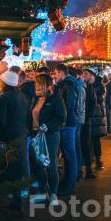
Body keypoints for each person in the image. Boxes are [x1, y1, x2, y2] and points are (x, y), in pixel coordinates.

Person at [31, 74, 67, 206]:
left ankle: (53, 193)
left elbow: (61, 117)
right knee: (39, 165)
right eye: (36, 84)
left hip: (50, 135)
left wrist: (48, 126)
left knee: (50, 164)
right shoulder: (36, 99)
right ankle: (42, 193)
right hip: (36, 135)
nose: (36, 86)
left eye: (39, 84)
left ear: (46, 85)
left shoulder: (56, 99)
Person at [0, 70, 30, 210]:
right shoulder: (22, 96)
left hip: (8, 138)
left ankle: (13, 202)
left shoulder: (4, 98)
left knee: (8, 168)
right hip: (20, 136)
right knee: (17, 169)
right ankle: (17, 201)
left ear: (4, 83)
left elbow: (1, 121)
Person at [54, 64, 78, 196]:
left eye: (55, 73)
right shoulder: (68, 84)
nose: (54, 76)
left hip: (67, 124)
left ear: (61, 72)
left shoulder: (67, 85)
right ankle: (68, 183)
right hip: (68, 123)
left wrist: (61, 119)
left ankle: (69, 185)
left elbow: (68, 105)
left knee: (70, 155)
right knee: (69, 155)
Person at [69, 67, 86, 181]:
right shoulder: (79, 86)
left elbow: (78, 107)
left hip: (77, 120)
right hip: (79, 119)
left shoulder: (78, 87)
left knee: (75, 145)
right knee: (76, 145)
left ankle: (78, 171)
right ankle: (78, 170)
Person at [82, 68, 99, 179]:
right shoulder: (84, 86)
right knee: (84, 144)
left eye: (86, 74)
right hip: (84, 119)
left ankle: (88, 168)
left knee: (87, 144)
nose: (84, 75)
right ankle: (85, 168)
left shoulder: (89, 88)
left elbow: (93, 104)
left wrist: (88, 117)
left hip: (86, 119)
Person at [92, 74, 107, 170]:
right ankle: (98, 159)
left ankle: (97, 159)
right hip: (96, 115)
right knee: (95, 140)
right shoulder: (100, 88)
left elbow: (101, 101)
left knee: (94, 139)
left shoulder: (95, 87)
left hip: (95, 116)